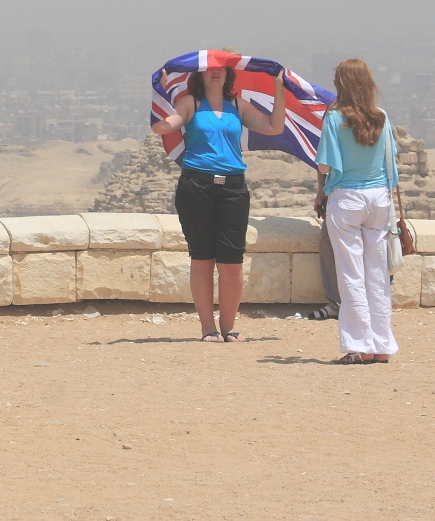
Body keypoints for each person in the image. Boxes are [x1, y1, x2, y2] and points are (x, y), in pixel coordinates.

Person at [150, 61, 287, 343]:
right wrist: (160, 93)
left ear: (228, 74)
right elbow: (163, 127)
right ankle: (207, 328)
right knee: (202, 259)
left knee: (231, 262)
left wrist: (279, 89)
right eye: (209, 68)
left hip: (233, 189)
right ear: (200, 74)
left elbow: (274, 126)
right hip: (196, 186)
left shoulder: (238, 105)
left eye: (221, 69)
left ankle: (229, 327)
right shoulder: (190, 102)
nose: (215, 72)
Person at [314, 59, 399, 364]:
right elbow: (391, 164)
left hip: (348, 198)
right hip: (378, 199)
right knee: (377, 274)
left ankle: (358, 345)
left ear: (341, 84)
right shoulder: (382, 117)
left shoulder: (335, 118)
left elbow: (325, 165)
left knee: (351, 274)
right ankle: (381, 346)